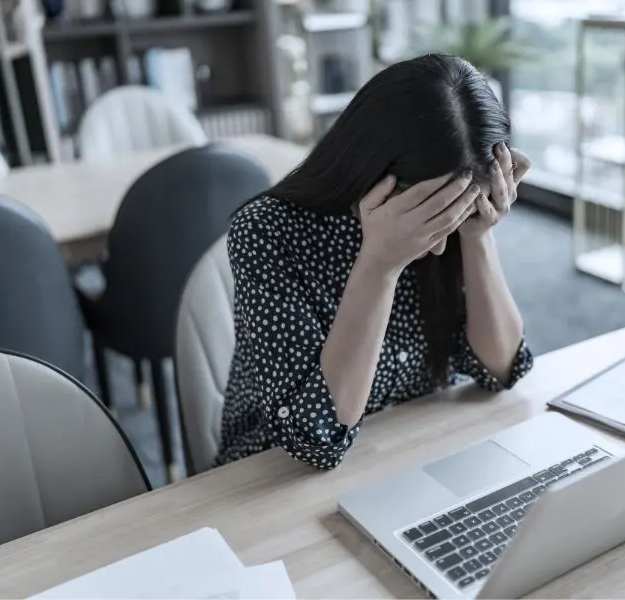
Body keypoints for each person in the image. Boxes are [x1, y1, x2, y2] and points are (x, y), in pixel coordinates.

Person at [216, 54, 533, 470]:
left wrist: (478, 235)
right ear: (371, 170)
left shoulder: (459, 210)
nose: (442, 231)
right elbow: (316, 439)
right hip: (272, 473)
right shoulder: (267, 231)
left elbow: (501, 369)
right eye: (435, 208)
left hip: (406, 449)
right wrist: (380, 265)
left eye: (463, 205)